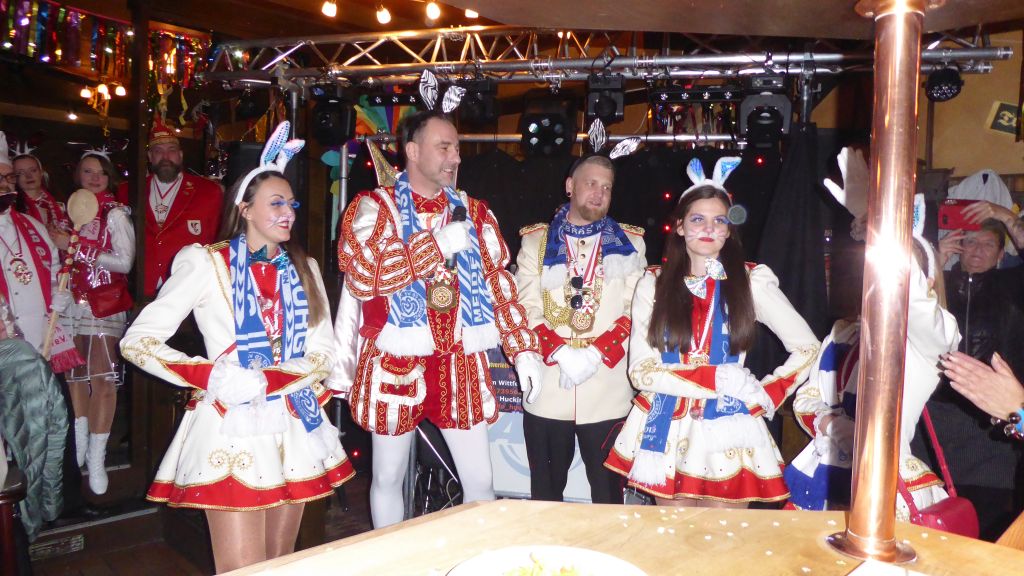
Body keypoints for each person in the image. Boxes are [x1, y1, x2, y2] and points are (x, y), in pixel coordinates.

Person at [120, 121, 354, 573]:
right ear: (244, 208)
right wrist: (215, 376)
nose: (288, 212)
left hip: (295, 423)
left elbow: (323, 351)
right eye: (276, 202)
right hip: (231, 425)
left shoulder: (303, 267)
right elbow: (138, 342)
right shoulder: (204, 262)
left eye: (291, 203)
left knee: (278, 565)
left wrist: (270, 380)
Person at [336, 110, 543, 528]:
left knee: (481, 482)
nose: (456, 158)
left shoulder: (474, 212)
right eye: (444, 147)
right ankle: (394, 557)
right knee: (389, 476)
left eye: (458, 148)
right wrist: (434, 246)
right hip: (395, 357)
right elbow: (363, 274)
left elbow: (498, 284)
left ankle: (473, 557)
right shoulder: (376, 207)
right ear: (412, 151)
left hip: (458, 358)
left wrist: (523, 350)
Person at [603, 157, 818, 507]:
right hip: (666, 425)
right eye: (697, 219)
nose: (708, 228)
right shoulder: (653, 284)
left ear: (729, 230)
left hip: (730, 425)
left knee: (724, 533)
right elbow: (641, 372)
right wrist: (717, 380)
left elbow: (808, 348)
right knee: (671, 533)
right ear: (680, 226)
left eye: (719, 220)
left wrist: (761, 395)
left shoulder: (751, 281)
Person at [787, 190, 960, 519]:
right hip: (824, 471)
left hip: (885, 478)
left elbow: (910, 301)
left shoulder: (934, 335)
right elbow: (807, 398)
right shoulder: (844, 332)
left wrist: (885, 230)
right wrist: (832, 424)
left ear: (927, 280)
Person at [514, 154, 646, 503]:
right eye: (591, 183)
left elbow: (637, 309)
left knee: (609, 498)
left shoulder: (631, 243)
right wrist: (559, 351)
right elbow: (526, 306)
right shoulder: (535, 242)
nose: (599, 193)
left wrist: (596, 353)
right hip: (549, 387)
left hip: (607, 392)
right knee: (545, 496)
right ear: (570, 186)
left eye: (607, 187)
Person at [916, 215, 1024, 540]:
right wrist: (932, 264)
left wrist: (1008, 220)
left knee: (985, 517)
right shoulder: (938, 283)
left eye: (988, 244)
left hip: (991, 421)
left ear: (1001, 254)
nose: (977, 250)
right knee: (928, 510)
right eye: (970, 242)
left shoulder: (1013, 286)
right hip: (934, 413)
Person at [64, 151, 135, 495]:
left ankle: (97, 457)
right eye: (87, 171)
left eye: (101, 173)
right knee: (75, 377)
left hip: (105, 304)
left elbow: (125, 263)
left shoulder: (115, 214)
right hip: (70, 304)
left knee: (103, 380)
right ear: (78, 175)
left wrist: (78, 250)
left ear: (109, 178)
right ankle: (77, 448)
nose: (94, 178)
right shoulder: (68, 212)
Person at [117, 117, 223, 298]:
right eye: (158, 151)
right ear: (150, 157)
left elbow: (217, 241)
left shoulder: (209, 191)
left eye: (171, 150)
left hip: (189, 291)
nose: (165, 157)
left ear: (180, 155)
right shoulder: (128, 190)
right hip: (140, 289)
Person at [0, 136, 78, 370]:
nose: (5, 184)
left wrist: (59, 294)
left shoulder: (34, 226)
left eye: (9, 177)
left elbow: (54, 270)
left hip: (37, 339)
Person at [12, 151, 73, 250]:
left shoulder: (61, 202)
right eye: (21, 173)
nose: (29, 176)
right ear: (13, 178)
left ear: (41, 172)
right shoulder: (11, 208)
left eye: (33, 170)